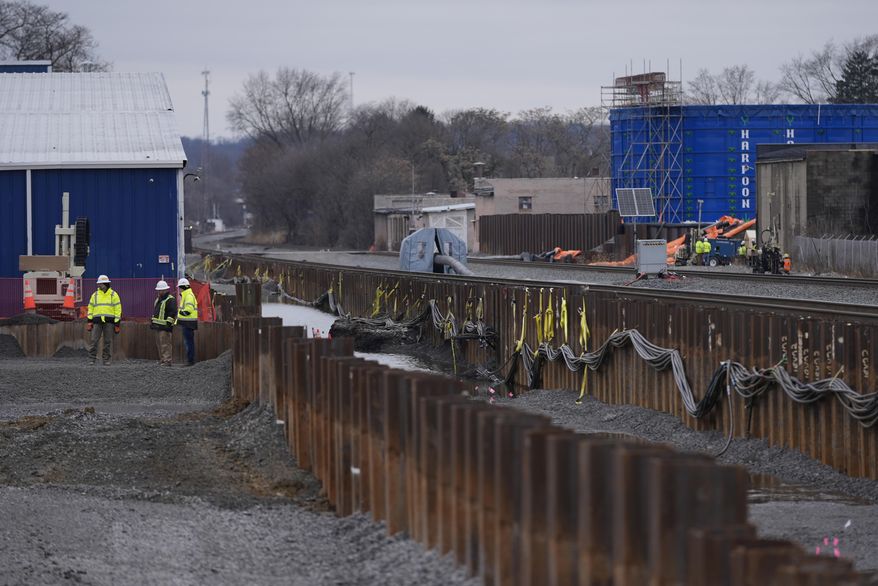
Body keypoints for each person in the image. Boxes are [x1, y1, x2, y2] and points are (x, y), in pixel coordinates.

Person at [86, 274, 122, 365]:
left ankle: (106, 360)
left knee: (107, 341)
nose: (99, 285)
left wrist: (117, 322)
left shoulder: (113, 295)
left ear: (105, 284)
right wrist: (89, 321)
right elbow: (90, 308)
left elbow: (118, 309)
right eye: (99, 284)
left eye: (100, 284)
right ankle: (91, 359)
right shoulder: (95, 295)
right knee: (94, 340)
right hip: (97, 322)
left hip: (109, 322)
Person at [151, 280, 177, 366]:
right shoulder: (158, 300)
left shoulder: (170, 300)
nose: (159, 292)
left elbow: (172, 313)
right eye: (158, 290)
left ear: (165, 290)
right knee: (159, 344)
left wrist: (168, 324)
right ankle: (162, 359)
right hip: (158, 326)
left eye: (160, 290)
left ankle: (167, 360)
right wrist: (153, 322)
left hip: (165, 327)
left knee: (165, 344)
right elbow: (156, 313)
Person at [177, 277, 199, 366]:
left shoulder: (188, 296)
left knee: (188, 343)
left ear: (183, 287)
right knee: (189, 342)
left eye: (180, 287)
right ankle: (190, 360)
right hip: (188, 323)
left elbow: (188, 310)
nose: (179, 289)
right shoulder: (187, 295)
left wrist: (179, 312)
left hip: (188, 324)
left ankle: (190, 361)